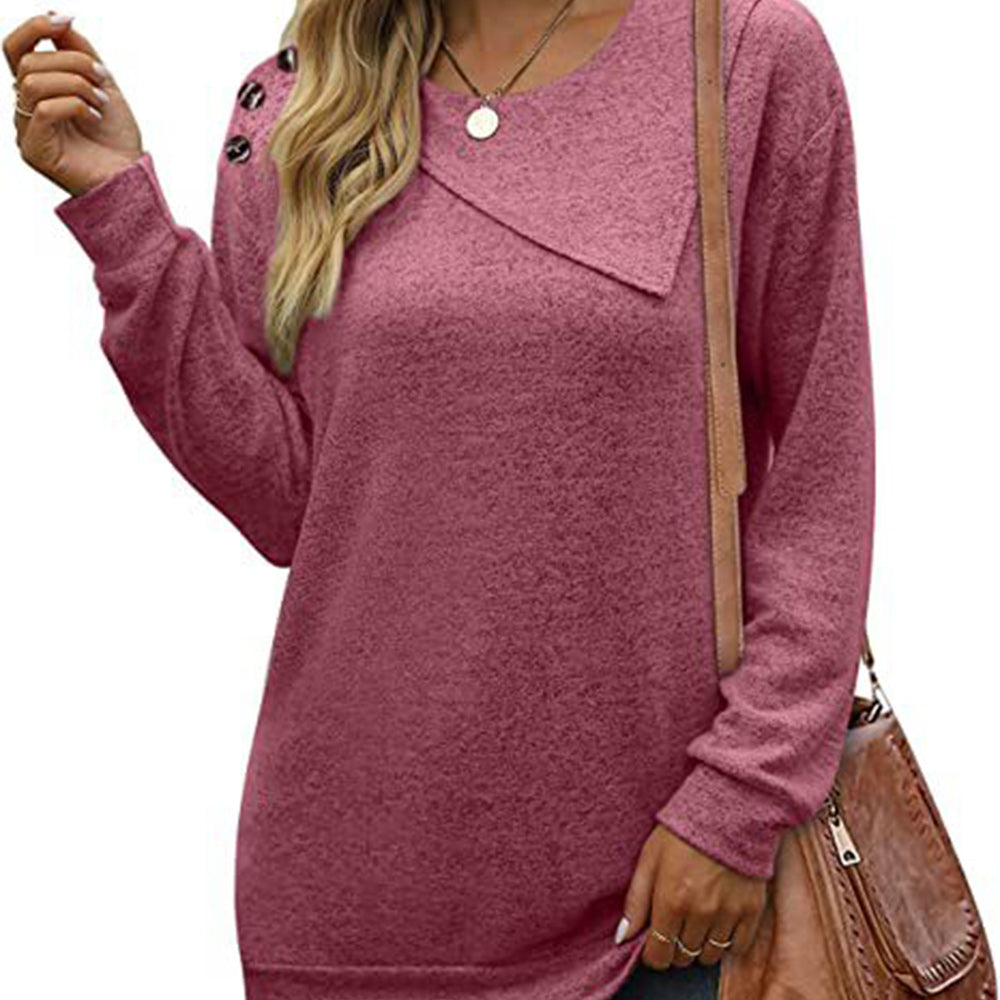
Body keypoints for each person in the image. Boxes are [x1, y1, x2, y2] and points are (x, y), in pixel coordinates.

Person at [4, 0, 876, 997]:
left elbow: (823, 467)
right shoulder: (298, 103)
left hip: (662, 906)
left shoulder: (743, 57)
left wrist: (742, 798)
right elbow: (289, 504)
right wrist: (118, 208)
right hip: (352, 911)